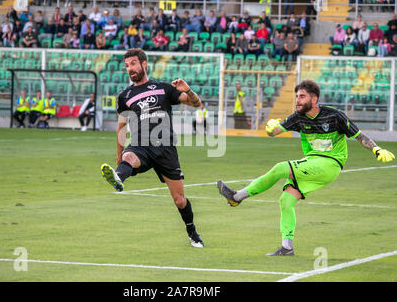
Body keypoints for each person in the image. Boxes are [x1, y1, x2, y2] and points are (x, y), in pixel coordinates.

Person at [217, 80, 395, 256]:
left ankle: (237, 197)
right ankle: (287, 248)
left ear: (314, 99)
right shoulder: (298, 117)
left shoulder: (334, 116)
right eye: (296, 96)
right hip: (312, 163)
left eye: (302, 96)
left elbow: (360, 136)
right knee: (286, 201)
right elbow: (275, 132)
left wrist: (376, 149)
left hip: (330, 163)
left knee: (280, 168)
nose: (298, 100)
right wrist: (270, 129)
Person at [100, 48, 205, 249]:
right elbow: (121, 127)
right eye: (126, 66)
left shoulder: (164, 88)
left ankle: (192, 232)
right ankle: (119, 178)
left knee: (179, 200)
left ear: (143, 63)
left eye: (132, 64)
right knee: (129, 157)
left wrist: (187, 89)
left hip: (165, 148)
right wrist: (119, 156)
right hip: (141, 145)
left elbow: (196, 104)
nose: (129, 68)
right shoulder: (125, 96)